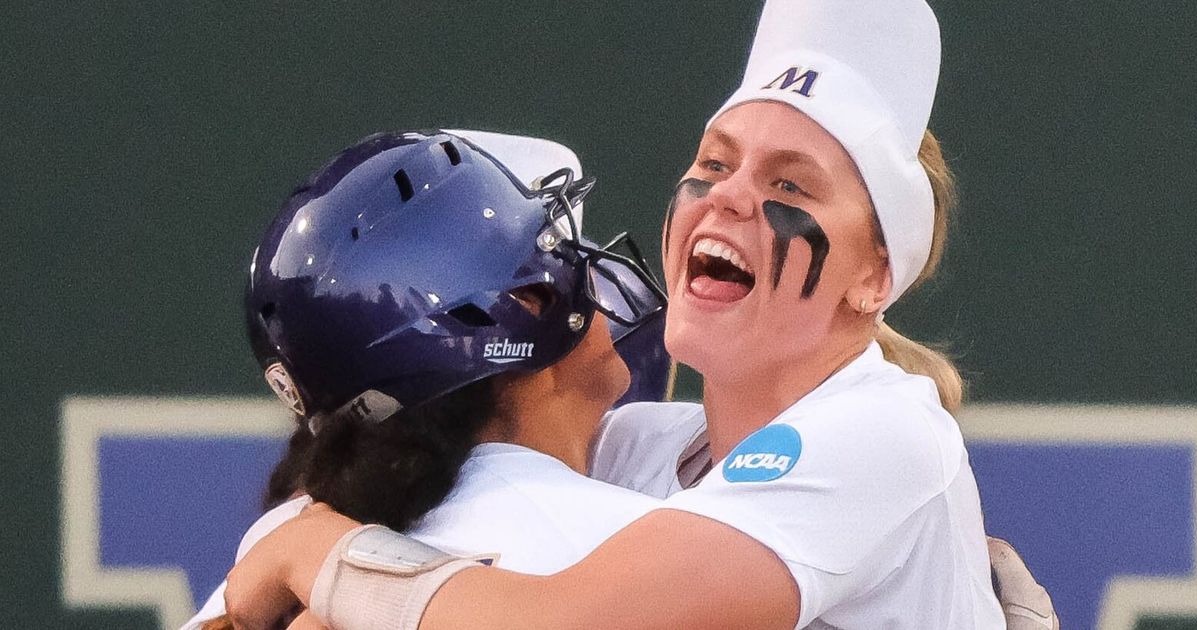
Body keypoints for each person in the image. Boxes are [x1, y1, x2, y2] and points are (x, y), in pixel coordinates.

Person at [222, 0, 1018, 628]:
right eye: (714, 162)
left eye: (791, 187)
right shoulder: (635, 451)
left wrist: (315, 548)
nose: (731, 195)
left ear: (876, 276)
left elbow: (575, 621)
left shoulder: (883, 433)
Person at [181, 128, 670, 629]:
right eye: (551, 247)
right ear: (527, 305)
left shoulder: (276, 551)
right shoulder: (639, 548)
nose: (579, 266)